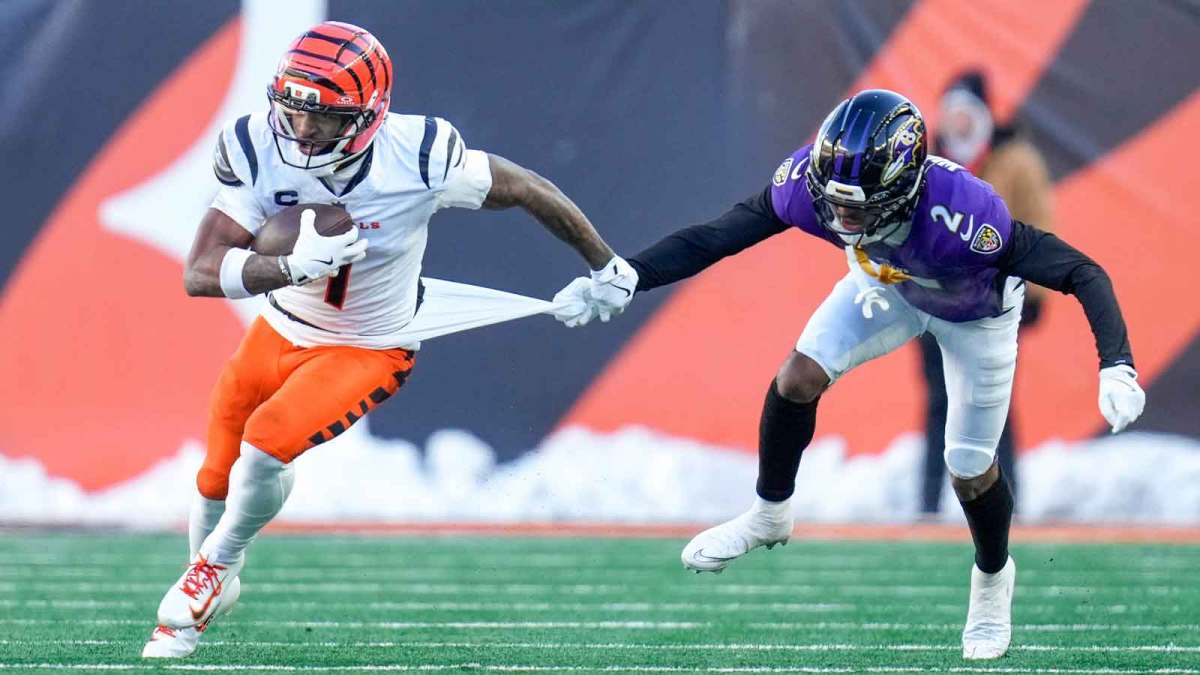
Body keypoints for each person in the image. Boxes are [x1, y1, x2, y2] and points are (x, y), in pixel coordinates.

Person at [554, 89, 1145, 659]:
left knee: (968, 467)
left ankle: (992, 580)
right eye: (831, 200)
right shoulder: (814, 188)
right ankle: (769, 514)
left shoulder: (963, 215)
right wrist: (629, 274)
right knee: (797, 377)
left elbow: (1082, 271)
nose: (837, 215)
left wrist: (1116, 363)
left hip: (976, 316)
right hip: (887, 287)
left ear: (903, 191)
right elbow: (720, 236)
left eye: (855, 206)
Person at [143, 21, 637, 658]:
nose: (302, 131)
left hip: (370, 342)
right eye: (294, 112)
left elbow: (526, 188)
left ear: (370, 116)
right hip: (281, 326)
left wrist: (605, 263)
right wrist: (291, 268)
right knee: (214, 474)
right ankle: (211, 572)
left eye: (324, 120)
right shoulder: (254, 148)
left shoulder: (419, 157)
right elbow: (200, 272)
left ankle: (210, 574)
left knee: (266, 443)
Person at [919, 70, 1056, 516]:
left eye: (966, 115)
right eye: (951, 115)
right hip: (932, 302)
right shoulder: (925, 166)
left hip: (993, 305)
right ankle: (929, 504)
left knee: (995, 405)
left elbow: (1037, 227)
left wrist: (1034, 294)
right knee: (940, 402)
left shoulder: (1016, 162)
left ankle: (1008, 503)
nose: (958, 125)